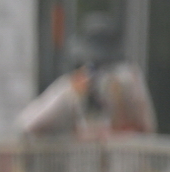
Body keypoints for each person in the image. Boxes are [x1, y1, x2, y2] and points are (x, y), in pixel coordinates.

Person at [15, 12, 155, 139]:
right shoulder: (74, 87)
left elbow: (145, 127)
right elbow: (27, 124)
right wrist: (70, 94)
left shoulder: (127, 80)